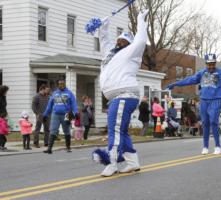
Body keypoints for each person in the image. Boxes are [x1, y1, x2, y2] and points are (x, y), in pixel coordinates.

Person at [92, 10, 149, 177]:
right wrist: (104, 24)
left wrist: (140, 21)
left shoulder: (132, 52)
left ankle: (112, 163)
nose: (119, 42)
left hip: (125, 95)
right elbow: (104, 39)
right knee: (121, 131)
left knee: (114, 130)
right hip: (117, 98)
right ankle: (132, 162)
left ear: (129, 44)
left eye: (123, 41)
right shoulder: (110, 54)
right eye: (118, 40)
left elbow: (141, 39)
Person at [43, 79, 79, 154]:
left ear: (65, 84)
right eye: (60, 84)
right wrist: (45, 114)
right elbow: (50, 105)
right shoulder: (55, 93)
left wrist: (76, 112)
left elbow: (74, 104)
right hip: (55, 114)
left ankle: (68, 147)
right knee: (53, 130)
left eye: (62, 84)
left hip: (67, 114)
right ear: (58, 85)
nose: (61, 85)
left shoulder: (69, 93)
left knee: (66, 131)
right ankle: (49, 148)